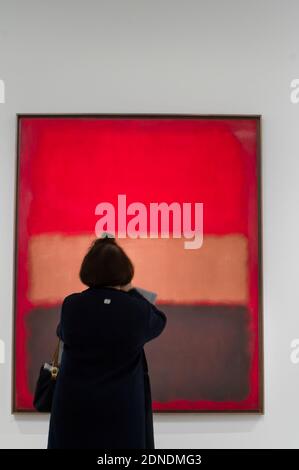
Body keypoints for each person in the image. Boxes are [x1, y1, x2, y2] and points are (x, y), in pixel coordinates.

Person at [47, 235, 167, 449]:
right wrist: (130, 289)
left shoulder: (72, 305)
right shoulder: (137, 310)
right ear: (124, 272)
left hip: (74, 409)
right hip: (122, 411)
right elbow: (159, 320)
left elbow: (63, 332)